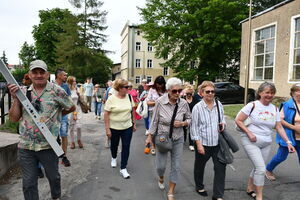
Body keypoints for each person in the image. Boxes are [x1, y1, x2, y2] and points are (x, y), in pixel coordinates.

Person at [8, 60, 75, 200]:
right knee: (28, 184)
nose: (38, 75)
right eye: (35, 72)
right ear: (29, 75)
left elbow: (71, 106)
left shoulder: (57, 91)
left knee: (53, 177)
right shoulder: (23, 92)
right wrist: (15, 99)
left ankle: (56, 196)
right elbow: (13, 119)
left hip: (49, 145)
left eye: (41, 72)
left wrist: (57, 116)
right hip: (26, 146)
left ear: (47, 74)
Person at [235, 82, 295, 200]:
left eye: (272, 93)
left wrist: (288, 142)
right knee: (261, 169)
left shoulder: (275, 108)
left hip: (266, 142)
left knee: (258, 167)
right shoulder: (252, 105)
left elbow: (278, 127)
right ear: (260, 93)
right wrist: (249, 133)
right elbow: (238, 120)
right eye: (267, 92)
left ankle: (249, 188)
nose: (270, 95)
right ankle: (259, 196)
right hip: (251, 140)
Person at [145, 77, 191, 200]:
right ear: (168, 90)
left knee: (176, 166)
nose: (177, 94)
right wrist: (150, 137)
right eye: (174, 91)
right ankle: (161, 177)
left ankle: (171, 191)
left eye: (179, 91)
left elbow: (189, 119)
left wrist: (182, 124)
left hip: (178, 138)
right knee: (161, 166)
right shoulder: (160, 102)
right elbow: (154, 121)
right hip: (163, 138)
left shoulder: (184, 103)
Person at [190, 81, 226, 200]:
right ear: (201, 93)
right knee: (199, 167)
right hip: (203, 143)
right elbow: (194, 127)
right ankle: (199, 186)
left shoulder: (219, 104)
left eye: (212, 91)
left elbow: (223, 118)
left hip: (217, 143)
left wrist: (223, 124)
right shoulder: (197, 108)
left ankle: (218, 195)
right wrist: (198, 144)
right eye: (207, 91)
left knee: (220, 168)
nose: (210, 94)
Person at [265, 83, 300, 180]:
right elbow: (279, 121)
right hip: (289, 136)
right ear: (292, 93)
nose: (299, 93)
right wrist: (294, 127)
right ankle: (268, 169)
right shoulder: (287, 105)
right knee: (281, 157)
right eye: (297, 90)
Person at [104, 78, 136, 179]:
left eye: (129, 87)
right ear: (119, 88)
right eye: (126, 87)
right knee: (114, 145)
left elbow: (132, 111)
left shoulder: (129, 97)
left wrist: (133, 123)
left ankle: (123, 168)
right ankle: (114, 157)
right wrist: (107, 129)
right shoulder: (111, 99)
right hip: (114, 127)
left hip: (127, 126)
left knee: (126, 146)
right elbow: (106, 114)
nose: (128, 89)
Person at [55, 68, 72, 167]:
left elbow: (69, 100)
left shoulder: (66, 86)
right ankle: (54, 155)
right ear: (59, 76)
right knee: (53, 136)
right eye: (64, 75)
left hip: (64, 114)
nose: (66, 77)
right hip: (53, 115)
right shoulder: (51, 85)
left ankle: (64, 156)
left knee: (64, 134)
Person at [146, 76, 167, 155]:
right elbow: (148, 102)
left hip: (164, 113)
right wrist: (157, 102)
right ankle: (153, 146)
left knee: (162, 130)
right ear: (155, 83)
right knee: (153, 131)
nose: (159, 86)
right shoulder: (152, 90)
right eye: (158, 84)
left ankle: (161, 146)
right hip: (153, 112)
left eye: (161, 84)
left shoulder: (166, 91)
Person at [67, 76, 83, 149]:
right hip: (70, 110)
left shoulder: (77, 89)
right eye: (73, 81)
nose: (75, 82)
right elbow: (69, 103)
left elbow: (79, 100)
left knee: (79, 126)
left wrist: (79, 94)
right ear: (70, 82)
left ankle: (79, 140)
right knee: (71, 127)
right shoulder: (68, 91)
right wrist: (74, 114)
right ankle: (72, 142)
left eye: (75, 81)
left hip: (77, 109)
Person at [183, 85, 199, 151]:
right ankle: (183, 140)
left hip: (193, 117)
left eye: (190, 94)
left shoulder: (195, 100)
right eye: (187, 94)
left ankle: (191, 144)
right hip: (183, 117)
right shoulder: (182, 99)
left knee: (191, 130)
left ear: (192, 93)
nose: (189, 95)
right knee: (184, 130)